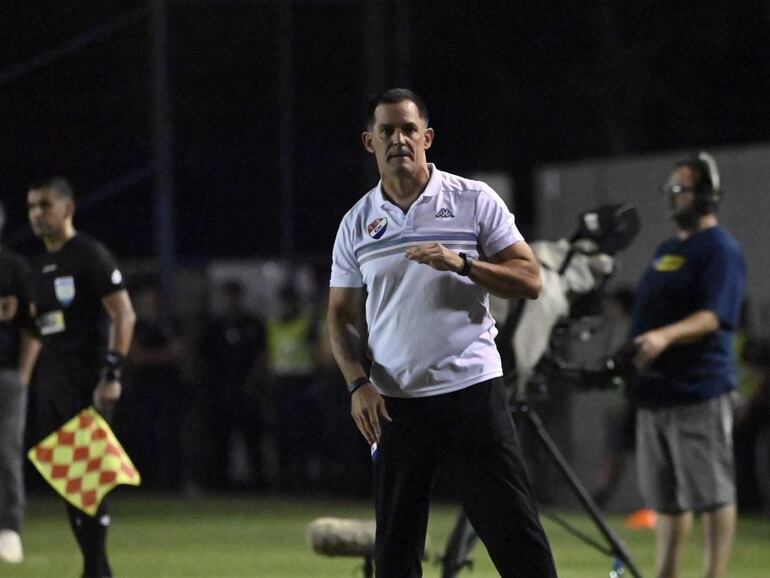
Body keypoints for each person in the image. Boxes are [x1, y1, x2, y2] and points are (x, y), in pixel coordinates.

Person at [327, 88, 557, 578]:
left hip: (471, 391)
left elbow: (531, 280)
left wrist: (464, 264)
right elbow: (341, 317)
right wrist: (356, 383)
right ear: (370, 142)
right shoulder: (355, 224)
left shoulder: (472, 200)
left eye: (408, 129)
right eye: (386, 131)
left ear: (427, 137)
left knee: (516, 537)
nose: (398, 140)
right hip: (396, 401)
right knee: (396, 552)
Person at [630, 153, 746, 578]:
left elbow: (714, 316)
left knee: (711, 493)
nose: (671, 198)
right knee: (666, 498)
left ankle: (714, 574)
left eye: (679, 190)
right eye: (670, 190)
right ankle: (667, 573)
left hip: (698, 390)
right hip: (655, 392)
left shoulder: (721, 250)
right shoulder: (667, 249)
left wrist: (664, 336)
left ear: (705, 195)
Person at [26, 177, 136, 578]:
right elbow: (37, 330)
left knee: (88, 478)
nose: (37, 215)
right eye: (32, 208)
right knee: (69, 482)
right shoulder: (38, 267)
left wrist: (112, 372)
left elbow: (123, 313)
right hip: (51, 385)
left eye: (44, 205)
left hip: (86, 382)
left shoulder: (89, 255)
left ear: (67, 208)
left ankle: (97, 567)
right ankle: (94, 567)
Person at [196, 279, 268, 491]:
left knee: (252, 437)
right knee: (220, 439)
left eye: (234, 296)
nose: (231, 302)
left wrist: (254, 383)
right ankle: (220, 483)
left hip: (247, 390)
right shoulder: (213, 327)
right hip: (220, 391)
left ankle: (258, 483)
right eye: (227, 297)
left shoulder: (252, 324)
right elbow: (203, 359)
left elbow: (262, 356)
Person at [0, 201, 39, 564]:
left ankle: (9, 528)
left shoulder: (14, 268)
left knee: (6, 450)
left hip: (5, 373)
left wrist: (24, 374)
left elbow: (33, 326)